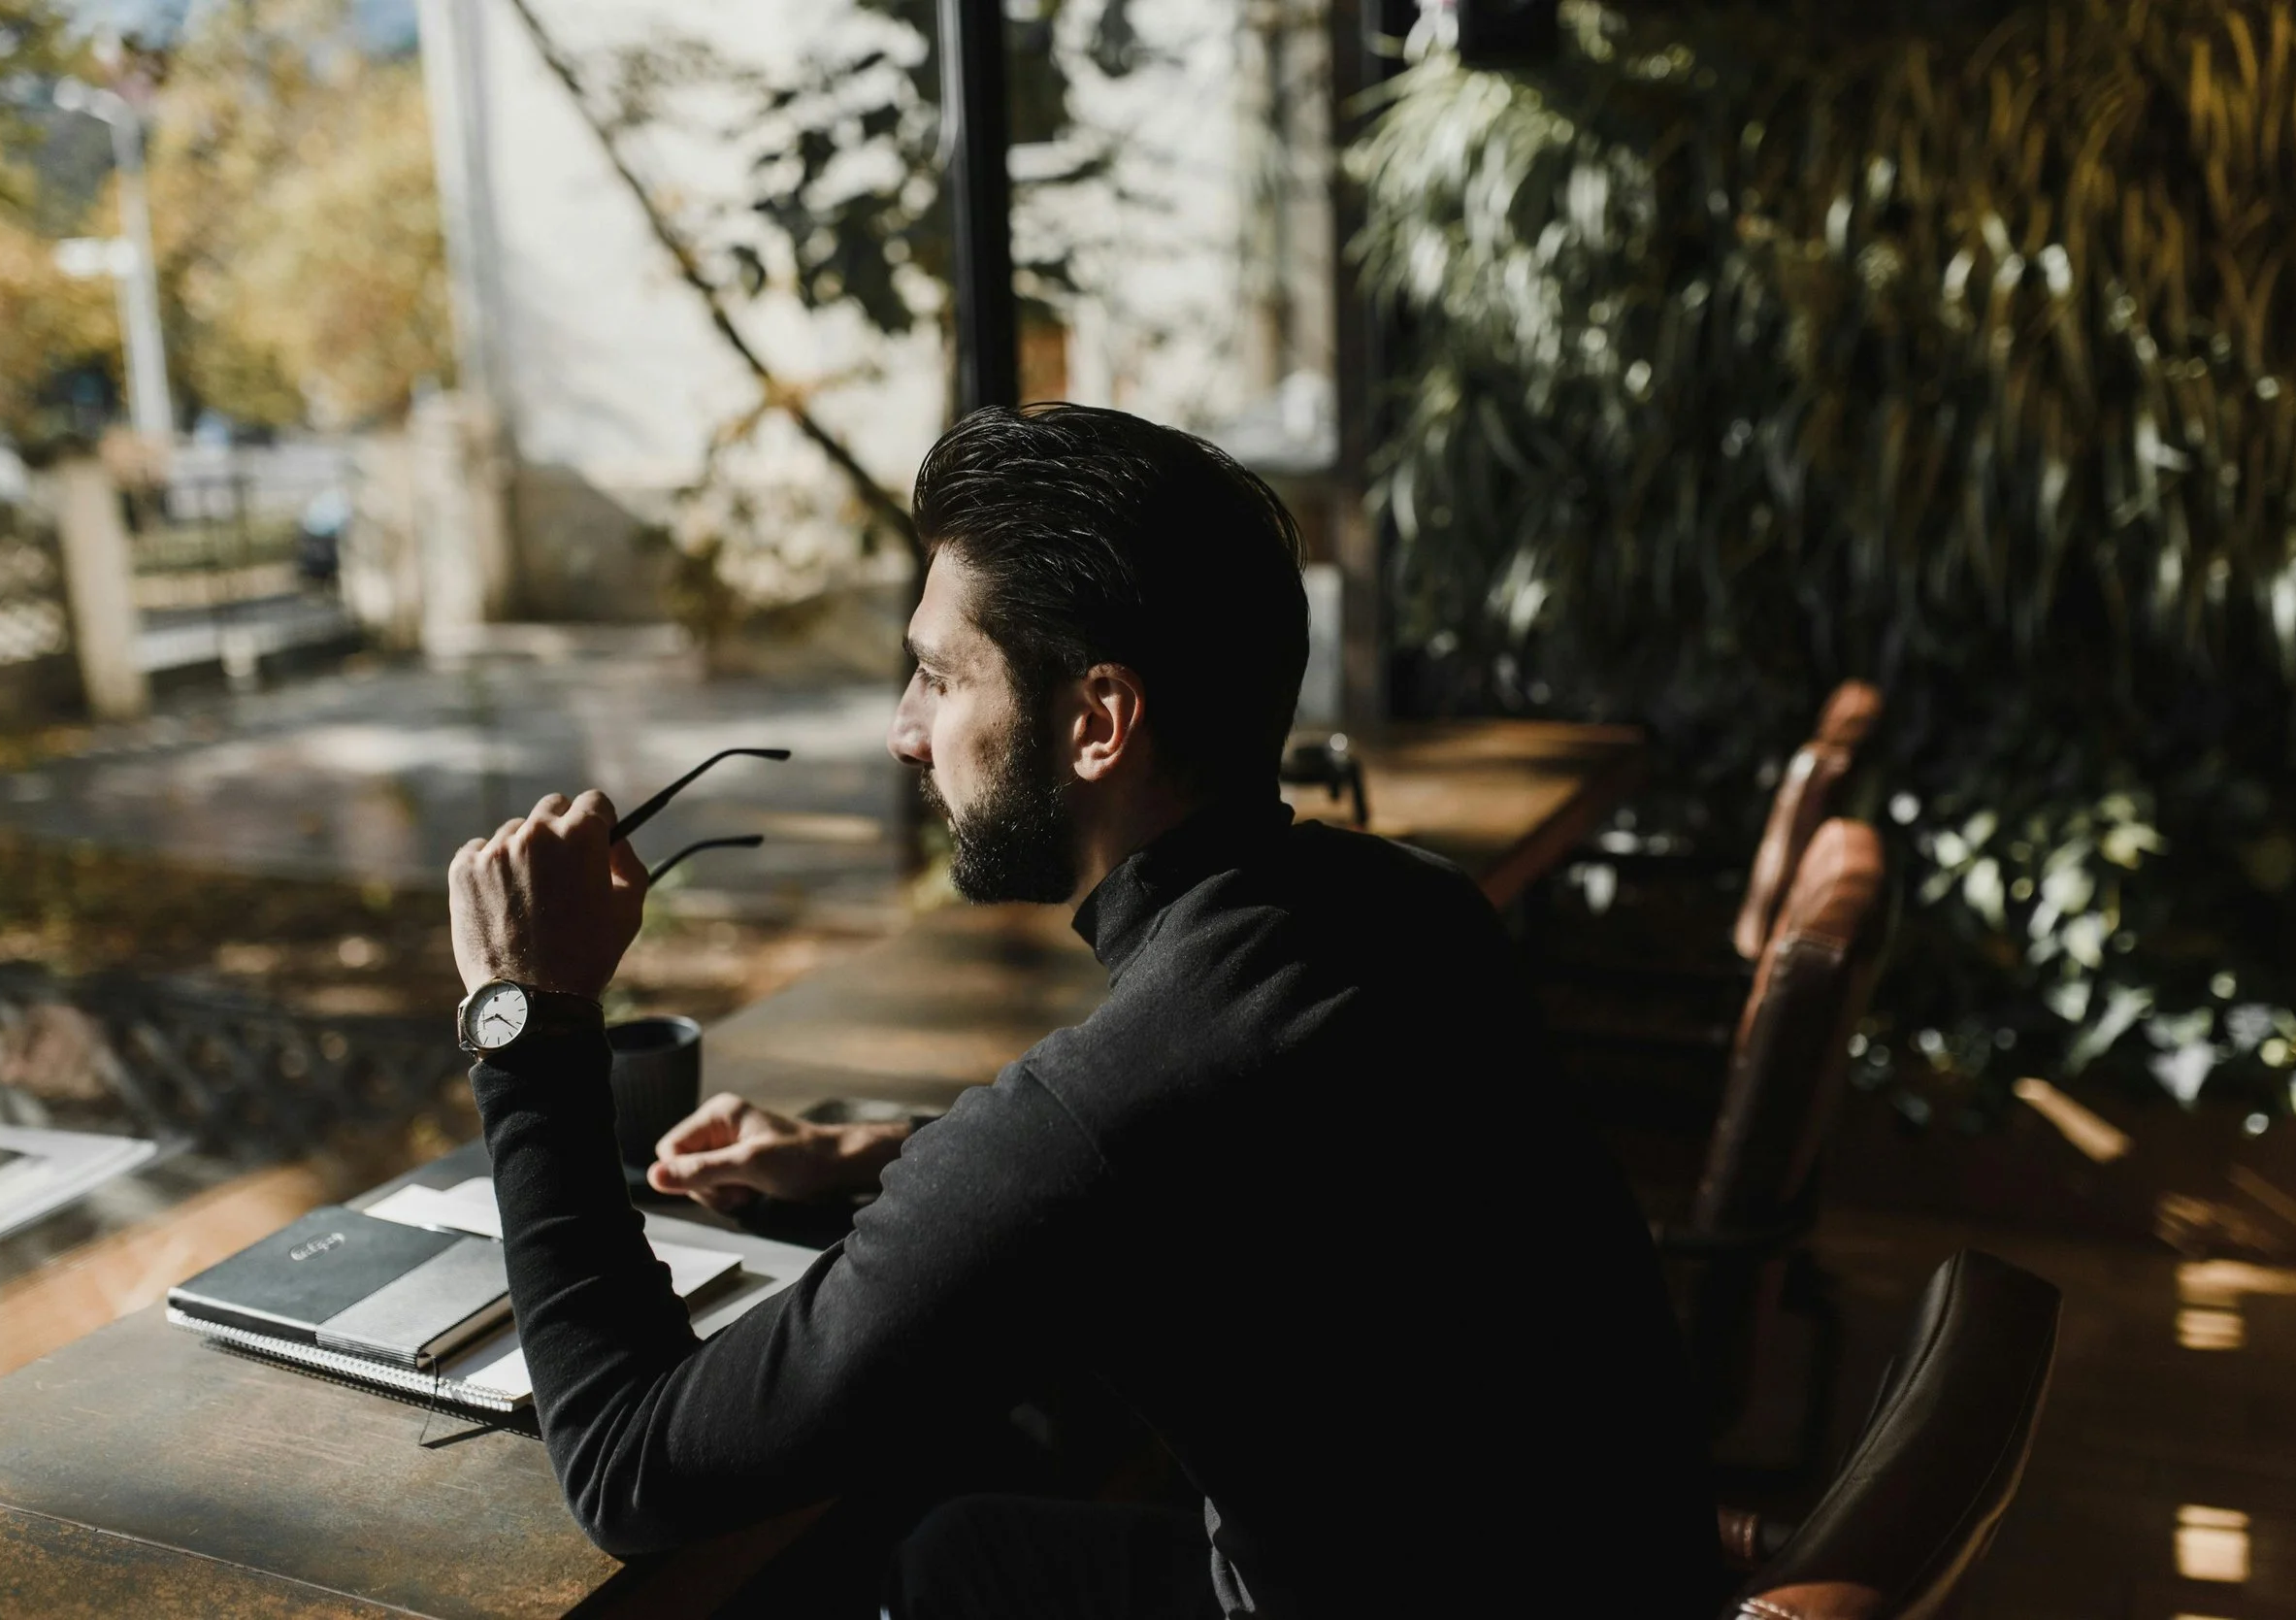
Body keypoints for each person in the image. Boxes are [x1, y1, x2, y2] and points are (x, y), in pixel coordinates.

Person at [447, 404, 1716, 1618]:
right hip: (1599, 1583)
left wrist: (530, 1013)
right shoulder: (1409, 909)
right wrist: (885, 1159)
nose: (905, 731)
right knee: (964, 1558)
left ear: (1099, 721)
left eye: (941, 678)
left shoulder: (1106, 1118)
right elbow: (1215, 1167)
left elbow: (627, 1467)